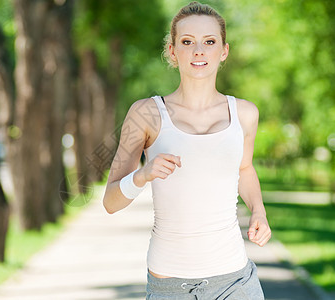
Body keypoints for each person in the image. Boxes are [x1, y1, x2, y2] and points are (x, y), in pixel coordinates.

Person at [103, 2, 271, 299]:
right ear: (172, 51)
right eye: (187, 42)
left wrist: (258, 211)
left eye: (209, 42)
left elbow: (244, 169)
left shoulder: (245, 114)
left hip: (235, 281)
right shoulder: (146, 113)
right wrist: (142, 176)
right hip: (171, 285)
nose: (198, 51)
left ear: (224, 51)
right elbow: (111, 202)